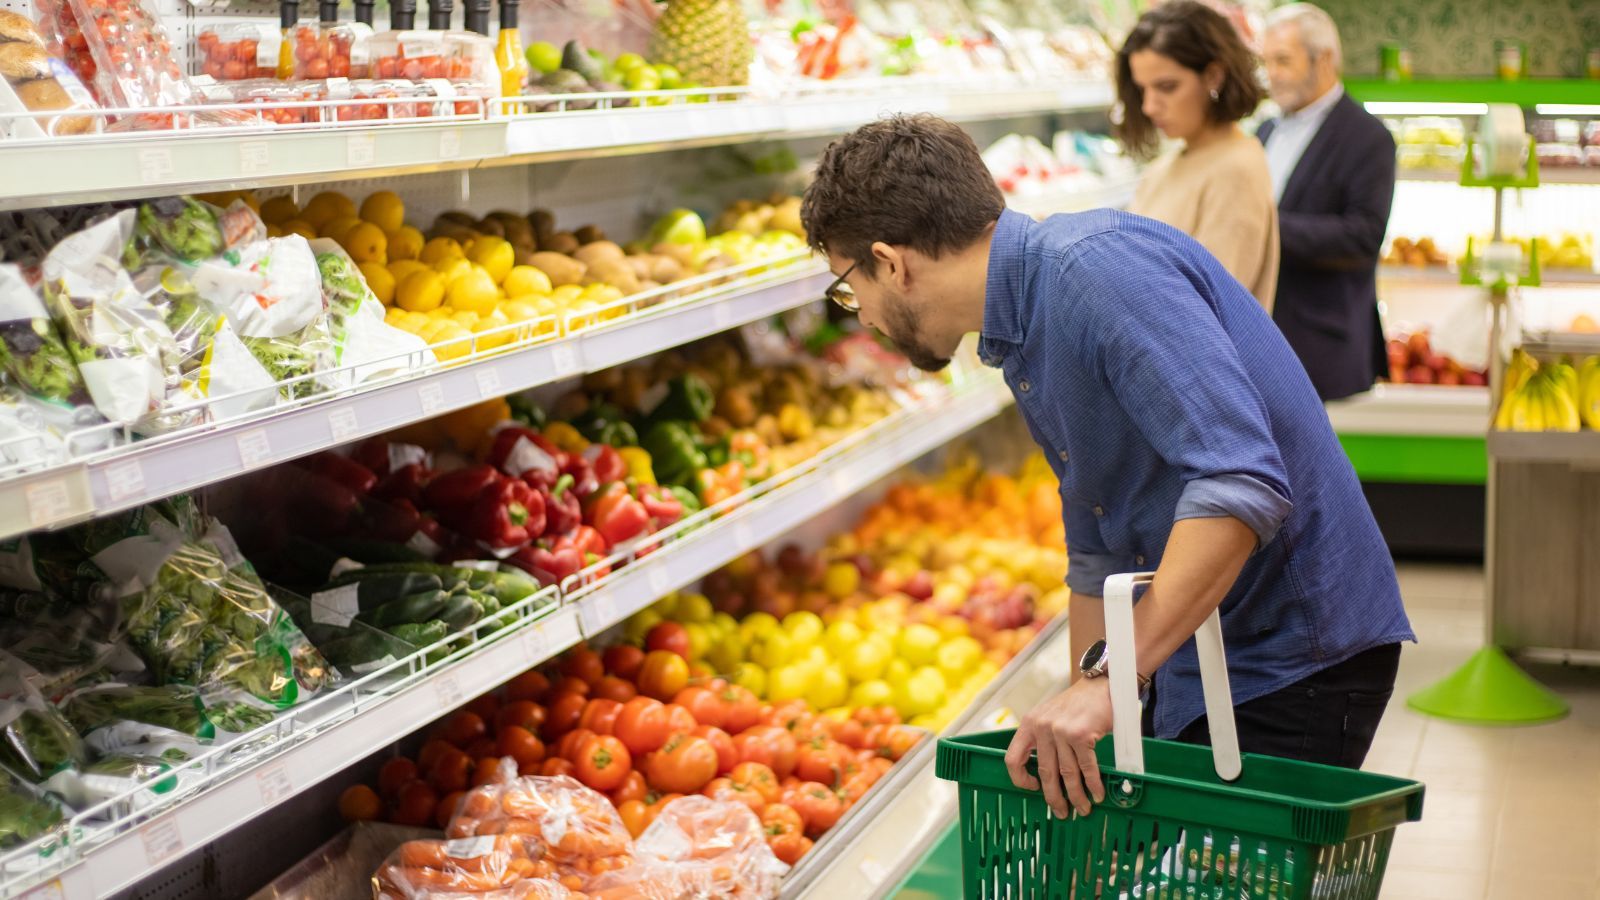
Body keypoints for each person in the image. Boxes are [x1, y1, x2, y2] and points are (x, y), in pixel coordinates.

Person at [800, 114, 1413, 820]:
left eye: (850, 288)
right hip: (1202, 646)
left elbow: (1241, 484)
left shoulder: (1094, 274)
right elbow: (1099, 547)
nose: (863, 316)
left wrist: (1112, 682)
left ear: (892, 262)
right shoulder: (1020, 327)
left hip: (1290, 653)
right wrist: (1081, 711)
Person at [1259, 3, 1396, 401]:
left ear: (1325, 60)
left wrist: (1262, 227)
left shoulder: (1368, 137)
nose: (1271, 75)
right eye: (1266, 61)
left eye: (1283, 60)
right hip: (1264, 338)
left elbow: (1363, 237)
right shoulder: (1265, 128)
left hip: (1321, 348)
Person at [1117, 0, 1280, 311]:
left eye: (1167, 87)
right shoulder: (1167, 165)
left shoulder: (1236, 169)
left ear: (1213, 76)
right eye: (1142, 90)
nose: (1149, 106)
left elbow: (1203, 310)